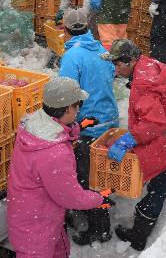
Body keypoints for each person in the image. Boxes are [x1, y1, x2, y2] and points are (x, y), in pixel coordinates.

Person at [101, 39, 166, 251]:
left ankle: (139, 235)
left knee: (159, 184)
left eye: (116, 63)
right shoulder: (152, 65)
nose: (114, 68)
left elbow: (153, 126)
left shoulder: (142, 85)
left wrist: (127, 140)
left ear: (129, 61)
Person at [7, 77, 115, 258]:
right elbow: (71, 197)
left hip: (32, 214)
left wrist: (78, 126)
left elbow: (56, 132)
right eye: (77, 105)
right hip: (37, 225)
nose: (79, 109)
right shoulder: (55, 154)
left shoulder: (33, 123)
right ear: (67, 109)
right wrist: (98, 199)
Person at [57, 8, 120, 245]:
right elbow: (108, 78)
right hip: (109, 121)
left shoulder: (72, 57)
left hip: (89, 125)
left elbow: (66, 94)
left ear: (64, 30)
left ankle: (100, 228)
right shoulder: (101, 50)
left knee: (87, 178)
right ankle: (99, 204)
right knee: (100, 172)